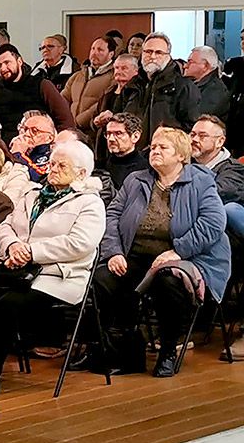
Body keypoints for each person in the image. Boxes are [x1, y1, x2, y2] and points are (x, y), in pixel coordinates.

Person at [0, 141, 107, 400]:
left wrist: (31, 252)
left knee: (6, 306)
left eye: (62, 165)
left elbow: (79, 244)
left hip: (58, 276)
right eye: (53, 163)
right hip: (16, 268)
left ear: (82, 173)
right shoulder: (33, 194)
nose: (53, 168)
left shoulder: (89, 204)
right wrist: (13, 246)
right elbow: (5, 226)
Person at [96, 127, 229, 377]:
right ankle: (127, 351)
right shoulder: (136, 180)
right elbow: (112, 215)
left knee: (167, 281)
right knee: (104, 279)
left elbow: (213, 223)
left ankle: (168, 349)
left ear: (181, 155)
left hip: (187, 258)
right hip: (134, 254)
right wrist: (114, 252)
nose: (154, 151)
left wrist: (177, 251)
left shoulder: (200, 181)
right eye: (153, 147)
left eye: (162, 147)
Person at [139, 33, 192, 133]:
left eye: (158, 52)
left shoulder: (182, 86)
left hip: (166, 145)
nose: (152, 56)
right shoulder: (133, 84)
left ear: (168, 56)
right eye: (148, 51)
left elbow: (190, 124)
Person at [64, 36, 115, 133]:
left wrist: (79, 122)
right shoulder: (78, 75)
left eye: (100, 50)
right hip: (70, 129)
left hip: (93, 130)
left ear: (111, 54)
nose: (94, 53)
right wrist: (67, 120)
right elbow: (63, 98)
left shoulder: (113, 76)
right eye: (93, 49)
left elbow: (102, 103)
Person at [96, 113, 150, 200]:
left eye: (118, 133)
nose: (111, 139)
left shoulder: (146, 170)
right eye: (108, 133)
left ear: (135, 136)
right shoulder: (99, 167)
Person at [185, 47, 231, 124]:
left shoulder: (215, 91)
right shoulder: (192, 86)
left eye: (190, 62)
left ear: (205, 66)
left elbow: (196, 119)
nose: (185, 66)